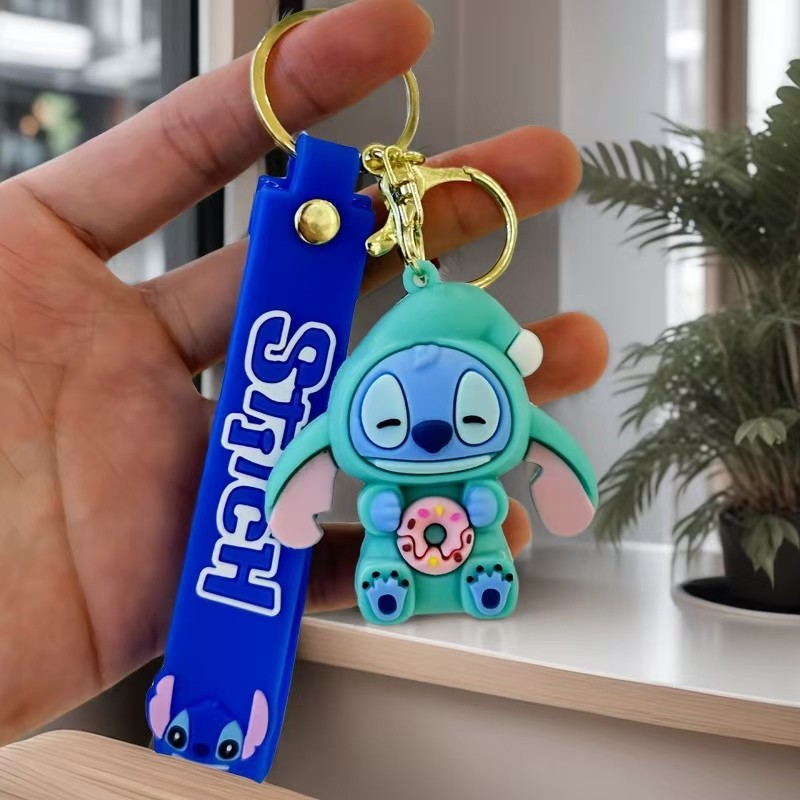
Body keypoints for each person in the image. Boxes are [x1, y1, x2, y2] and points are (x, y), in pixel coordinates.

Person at [0, 0, 607, 743]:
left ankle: (457, 573)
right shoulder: (364, 413)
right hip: (384, 532)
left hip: (450, 521)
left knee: (474, 531)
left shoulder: (374, 405)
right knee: (395, 541)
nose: (429, 433)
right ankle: (409, 575)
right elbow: (317, 447)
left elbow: (335, 441)